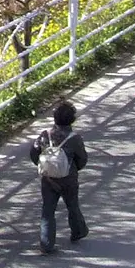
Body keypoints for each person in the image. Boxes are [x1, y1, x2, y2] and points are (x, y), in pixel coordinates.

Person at [29, 100, 89, 254]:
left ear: (55, 118)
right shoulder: (74, 138)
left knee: (47, 210)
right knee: (72, 205)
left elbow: (34, 153)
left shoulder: (45, 135)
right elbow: (82, 159)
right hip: (69, 179)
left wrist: (43, 166)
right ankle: (78, 231)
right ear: (72, 120)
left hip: (48, 179)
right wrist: (74, 169)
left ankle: (46, 243)